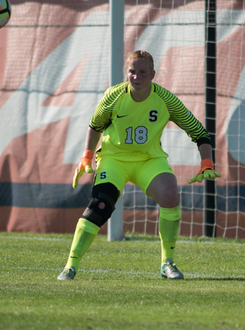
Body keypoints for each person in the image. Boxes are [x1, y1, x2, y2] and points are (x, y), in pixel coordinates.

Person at [57, 50, 220, 280]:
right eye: (132, 71)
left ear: (152, 74)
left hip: (148, 160)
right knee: (100, 206)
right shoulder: (113, 96)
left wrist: (206, 162)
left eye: (142, 72)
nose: (136, 77)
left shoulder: (165, 99)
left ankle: (167, 263)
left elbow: (198, 131)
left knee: (170, 194)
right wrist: (86, 157)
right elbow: (94, 126)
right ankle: (70, 265)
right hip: (114, 159)